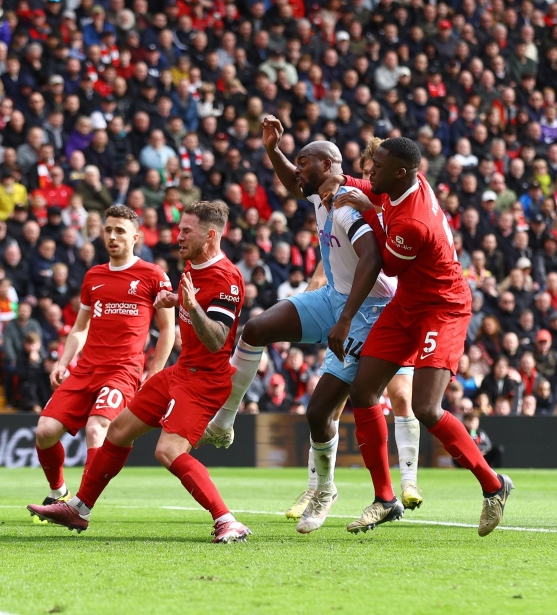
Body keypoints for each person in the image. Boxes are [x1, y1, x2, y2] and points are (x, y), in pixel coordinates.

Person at [197, 119, 421, 535]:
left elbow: (371, 260)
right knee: (255, 330)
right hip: (333, 295)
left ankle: (328, 491)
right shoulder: (321, 193)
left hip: (368, 308)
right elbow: (290, 182)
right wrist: (272, 151)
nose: (296, 170)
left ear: (328, 165)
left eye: (304, 162)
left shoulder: (345, 204)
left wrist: (346, 318)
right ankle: (226, 420)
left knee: (321, 412)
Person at [28, 201, 252, 544]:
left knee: (168, 451)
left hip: (204, 380)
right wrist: (176, 300)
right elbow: (193, 302)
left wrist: (189, 305)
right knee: (118, 430)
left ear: (209, 235)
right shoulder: (191, 267)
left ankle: (227, 520)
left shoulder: (226, 278)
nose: (178, 236)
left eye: (186, 231)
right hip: (179, 372)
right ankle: (79, 507)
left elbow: (217, 338)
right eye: (179, 229)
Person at [324, 137, 513, 536]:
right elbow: (371, 190)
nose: (371, 171)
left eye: (378, 166)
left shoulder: (413, 221)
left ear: (402, 172)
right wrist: (345, 182)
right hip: (409, 304)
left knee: (426, 408)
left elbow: (388, 267)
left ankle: (494, 485)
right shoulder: (402, 181)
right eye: (371, 164)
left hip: (443, 309)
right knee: (363, 391)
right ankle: (384, 499)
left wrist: (366, 211)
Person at [31, 205, 175, 509]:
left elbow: (167, 332)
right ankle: (60, 493)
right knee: (44, 432)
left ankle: (81, 506)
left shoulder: (153, 276)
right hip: (84, 370)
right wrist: (62, 362)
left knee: (97, 428)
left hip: (123, 371)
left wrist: (154, 375)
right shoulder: (93, 276)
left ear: (136, 236)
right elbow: (79, 329)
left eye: (119, 231)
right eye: (108, 230)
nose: (112, 236)